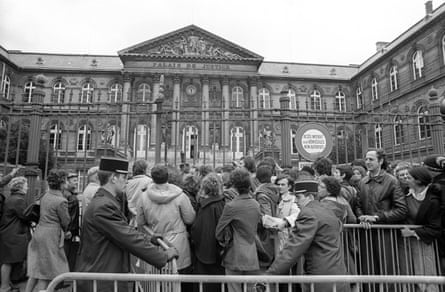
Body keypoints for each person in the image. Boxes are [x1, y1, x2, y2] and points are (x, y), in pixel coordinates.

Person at [77, 158, 177, 292]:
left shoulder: (105, 201)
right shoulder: (103, 206)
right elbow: (127, 237)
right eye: (124, 177)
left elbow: (122, 231)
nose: (127, 181)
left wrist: (149, 239)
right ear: (113, 178)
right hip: (102, 280)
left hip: (102, 275)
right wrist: (163, 256)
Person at [265, 180, 349, 292]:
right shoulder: (327, 211)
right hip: (337, 277)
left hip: (320, 280)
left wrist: (269, 276)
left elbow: (293, 249)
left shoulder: (308, 213)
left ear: (310, 196)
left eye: (298, 197)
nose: (296, 201)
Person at [136, 164, 195, 292]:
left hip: (156, 243)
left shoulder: (143, 197)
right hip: (178, 244)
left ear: (152, 177)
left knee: (157, 284)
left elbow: (140, 222)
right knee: (179, 282)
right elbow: (190, 218)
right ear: (167, 176)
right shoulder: (180, 195)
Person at [355, 149, 407, 290]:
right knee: (368, 272)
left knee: (387, 271)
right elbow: (358, 205)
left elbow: (402, 210)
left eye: (371, 159)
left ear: (381, 161)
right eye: (366, 159)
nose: (367, 162)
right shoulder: (362, 182)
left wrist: (377, 217)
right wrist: (362, 218)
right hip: (366, 233)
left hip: (385, 234)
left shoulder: (391, 181)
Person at [215, 168, 261, 292]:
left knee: (234, 289)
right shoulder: (256, 205)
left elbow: (218, 232)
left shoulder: (231, 206)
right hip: (252, 253)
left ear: (234, 185)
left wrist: (224, 240)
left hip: (234, 253)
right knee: (252, 289)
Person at [25, 169, 71, 292]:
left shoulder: (45, 195)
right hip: (51, 235)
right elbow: (65, 221)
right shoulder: (61, 201)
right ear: (61, 183)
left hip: (40, 231)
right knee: (46, 271)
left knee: (36, 269)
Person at [400, 166, 442, 288]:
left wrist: (412, 233)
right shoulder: (406, 196)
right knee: (409, 276)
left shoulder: (433, 200)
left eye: (409, 177)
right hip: (406, 244)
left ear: (418, 181)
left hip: (425, 243)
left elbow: (435, 228)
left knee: (426, 277)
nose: (405, 179)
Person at [190, 173, 226, 292]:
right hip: (220, 254)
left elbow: (197, 229)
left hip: (205, 255)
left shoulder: (205, 207)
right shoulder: (223, 204)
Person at [0, 177, 30, 292]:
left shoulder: (12, 198)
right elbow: (25, 215)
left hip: (8, 232)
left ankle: (8, 284)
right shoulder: (19, 200)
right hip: (13, 234)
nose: (27, 187)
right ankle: (4, 287)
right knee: (8, 261)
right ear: (20, 187)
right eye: (26, 185)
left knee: (9, 260)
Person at [254, 165, 280, 270]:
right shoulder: (276, 190)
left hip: (265, 235)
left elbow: (266, 217)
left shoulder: (262, 195)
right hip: (277, 233)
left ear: (257, 178)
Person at [63, 173, 80, 272]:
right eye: (74, 181)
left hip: (69, 230)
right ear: (67, 182)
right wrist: (69, 229)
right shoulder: (70, 196)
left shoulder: (68, 194)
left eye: (76, 180)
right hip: (68, 231)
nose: (76, 182)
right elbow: (68, 214)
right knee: (65, 253)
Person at [126, 159, 152, 224]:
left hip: (131, 219)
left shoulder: (127, 183)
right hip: (145, 218)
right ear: (145, 169)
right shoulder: (150, 182)